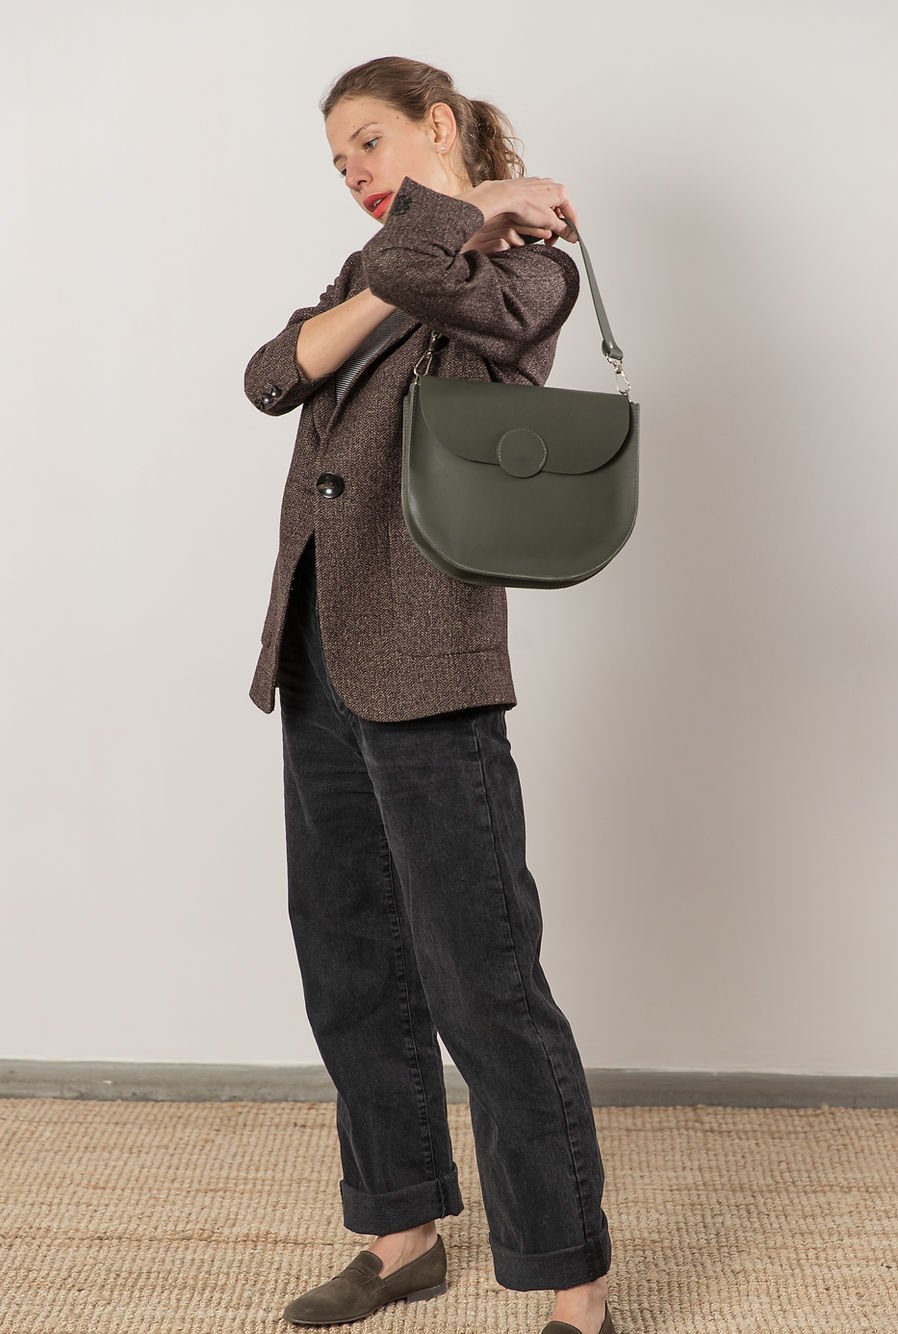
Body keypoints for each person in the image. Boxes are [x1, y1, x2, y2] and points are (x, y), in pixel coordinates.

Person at [244, 55, 617, 1334]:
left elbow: (416, 273)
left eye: (370, 141)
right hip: (319, 646)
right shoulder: (394, 256)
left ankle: (572, 1283)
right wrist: (469, 201)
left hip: (431, 654)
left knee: (482, 977)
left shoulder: (530, 271)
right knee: (349, 955)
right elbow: (270, 373)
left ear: (438, 125)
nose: (353, 171)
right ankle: (398, 1234)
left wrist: (480, 211)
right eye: (337, 159)